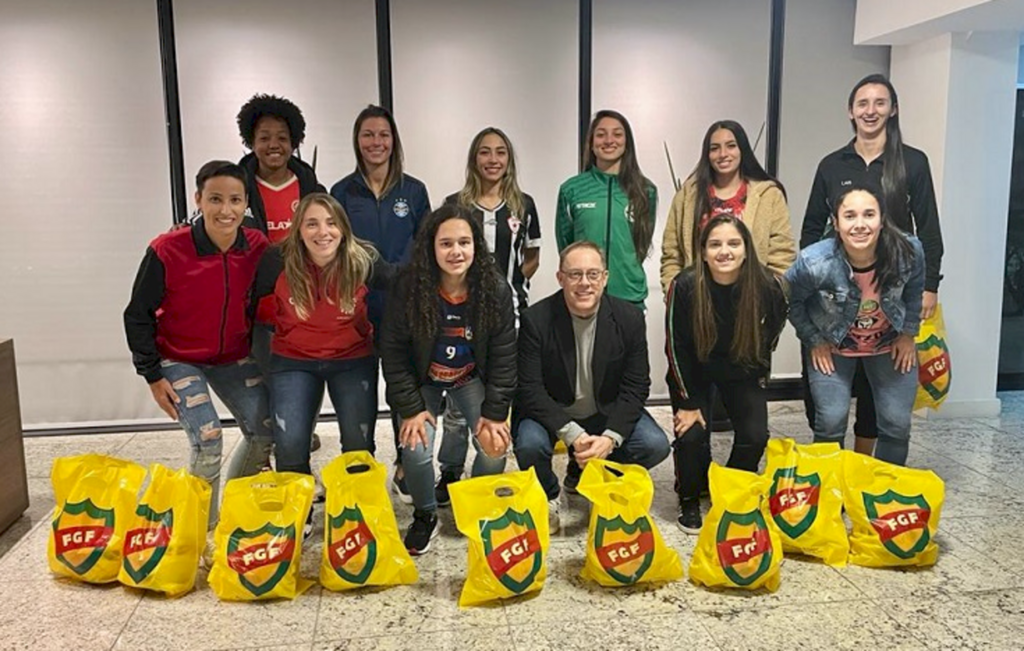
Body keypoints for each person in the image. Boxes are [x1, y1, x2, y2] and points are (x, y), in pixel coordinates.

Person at [124, 160, 272, 530]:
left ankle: (231, 518)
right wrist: (152, 375)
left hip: (233, 357)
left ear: (246, 204)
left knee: (265, 430)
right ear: (199, 200)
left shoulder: (256, 246)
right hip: (178, 358)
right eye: (216, 199)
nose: (226, 210)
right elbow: (137, 313)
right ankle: (200, 531)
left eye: (235, 200)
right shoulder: (167, 249)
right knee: (208, 438)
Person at [801, 74, 943, 456]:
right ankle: (835, 466)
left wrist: (930, 286)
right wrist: (814, 281)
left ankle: (864, 466)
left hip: (894, 291)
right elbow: (812, 227)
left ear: (893, 110)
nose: (871, 110)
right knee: (828, 396)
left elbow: (928, 229)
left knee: (881, 389)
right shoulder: (832, 165)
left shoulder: (912, 162)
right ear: (850, 111)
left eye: (880, 102)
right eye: (862, 103)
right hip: (838, 292)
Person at [254, 193, 394, 535]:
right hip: (293, 361)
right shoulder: (278, 258)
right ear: (298, 229)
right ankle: (298, 512)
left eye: (331, 223)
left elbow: (404, 284)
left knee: (358, 444)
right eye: (312, 223)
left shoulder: (363, 258)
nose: (323, 232)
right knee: (290, 444)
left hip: (353, 360)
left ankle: (356, 513)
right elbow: (249, 303)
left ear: (343, 229)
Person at [380, 205, 516, 555]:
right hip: (423, 379)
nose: (456, 252)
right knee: (414, 445)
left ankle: (480, 504)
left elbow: (503, 355)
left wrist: (496, 411)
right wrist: (410, 409)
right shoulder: (408, 287)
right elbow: (393, 353)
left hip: (469, 377)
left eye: (464, 242)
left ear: (476, 246)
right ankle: (426, 515)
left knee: (495, 441)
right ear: (431, 247)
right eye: (446, 244)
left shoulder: (494, 288)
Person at [514, 241, 671, 532]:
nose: (584, 283)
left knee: (655, 445)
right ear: (560, 278)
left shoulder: (629, 319)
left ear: (605, 278)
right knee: (529, 444)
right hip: (554, 414)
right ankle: (548, 494)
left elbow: (636, 386)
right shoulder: (535, 320)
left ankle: (597, 477)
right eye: (574, 275)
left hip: (604, 411)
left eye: (592, 274)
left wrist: (610, 438)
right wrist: (573, 434)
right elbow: (530, 389)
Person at [434, 127, 541, 507]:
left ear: (509, 159)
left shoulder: (523, 204)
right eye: (484, 152)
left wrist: (506, 288)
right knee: (456, 400)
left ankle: (488, 465)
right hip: (461, 316)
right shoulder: (455, 204)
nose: (493, 159)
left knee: (495, 391)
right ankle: (449, 470)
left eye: (500, 152)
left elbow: (531, 257)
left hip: (508, 316)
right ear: (473, 159)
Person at [331, 105, 430, 502]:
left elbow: (424, 247)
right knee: (359, 396)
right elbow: (335, 248)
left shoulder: (414, 190)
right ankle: (362, 468)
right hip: (354, 309)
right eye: (368, 135)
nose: (376, 142)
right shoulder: (341, 192)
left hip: (403, 308)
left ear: (394, 140)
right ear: (357, 141)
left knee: (402, 391)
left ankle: (406, 465)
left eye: (383, 135)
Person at [665, 216, 788, 533]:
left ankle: (731, 487)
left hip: (740, 369)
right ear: (703, 251)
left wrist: (758, 365)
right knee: (692, 434)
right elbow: (675, 347)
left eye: (733, 243)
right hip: (694, 371)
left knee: (755, 435)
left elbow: (775, 326)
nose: (724, 251)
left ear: (746, 248)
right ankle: (690, 496)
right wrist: (689, 402)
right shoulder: (686, 284)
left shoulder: (766, 285)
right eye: (715, 244)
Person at [786, 185, 924, 466]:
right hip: (834, 347)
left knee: (897, 423)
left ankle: (883, 490)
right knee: (831, 421)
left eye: (869, 214)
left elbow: (915, 289)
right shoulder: (814, 262)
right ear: (836, 223)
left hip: (888, 345)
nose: (859, 224)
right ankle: (831, 493)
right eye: (850, 216)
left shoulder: (908, 251)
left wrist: (909, 333)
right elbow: (789, 301)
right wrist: (814, 339)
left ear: (882, 220)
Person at [236, 93, 326, 452]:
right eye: (264, 137)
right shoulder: (237, 188)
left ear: (295, 142)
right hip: (259, 314)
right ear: (250, 141)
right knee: (268, 403)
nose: (274, 145)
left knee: (307, 394)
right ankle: (271, 468)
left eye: (282, 137)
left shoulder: (311, 187)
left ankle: (297, 465)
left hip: (305, 311)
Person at [660, 119, 794, 292]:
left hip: (752, 299)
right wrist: (674, 293)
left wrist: (772, 295)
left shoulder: (768, 196)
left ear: (742, 150)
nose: (723, 154)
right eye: (714, 148)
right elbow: (672, 252)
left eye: (731, 146)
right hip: (697, 299)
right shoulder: (688, 196)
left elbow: (782, 253)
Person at [556, 110, 657, 309]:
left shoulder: (645, 190)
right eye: (601, 134)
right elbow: (566, 246)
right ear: (592, 143)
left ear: (627, 143)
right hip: (584, 295)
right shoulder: (572, 189)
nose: (609, 140)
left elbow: (641, 243)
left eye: (617, 134)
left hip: (629, 295)